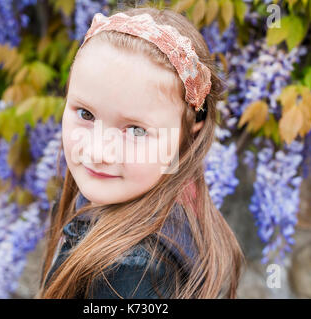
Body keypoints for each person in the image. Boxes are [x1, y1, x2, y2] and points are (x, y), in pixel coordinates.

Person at [36, 6, 245, 299]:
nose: (98, 151)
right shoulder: (116, 201)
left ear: (191, 127)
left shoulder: (132, 273)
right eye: (85, 113)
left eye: (135, 130)